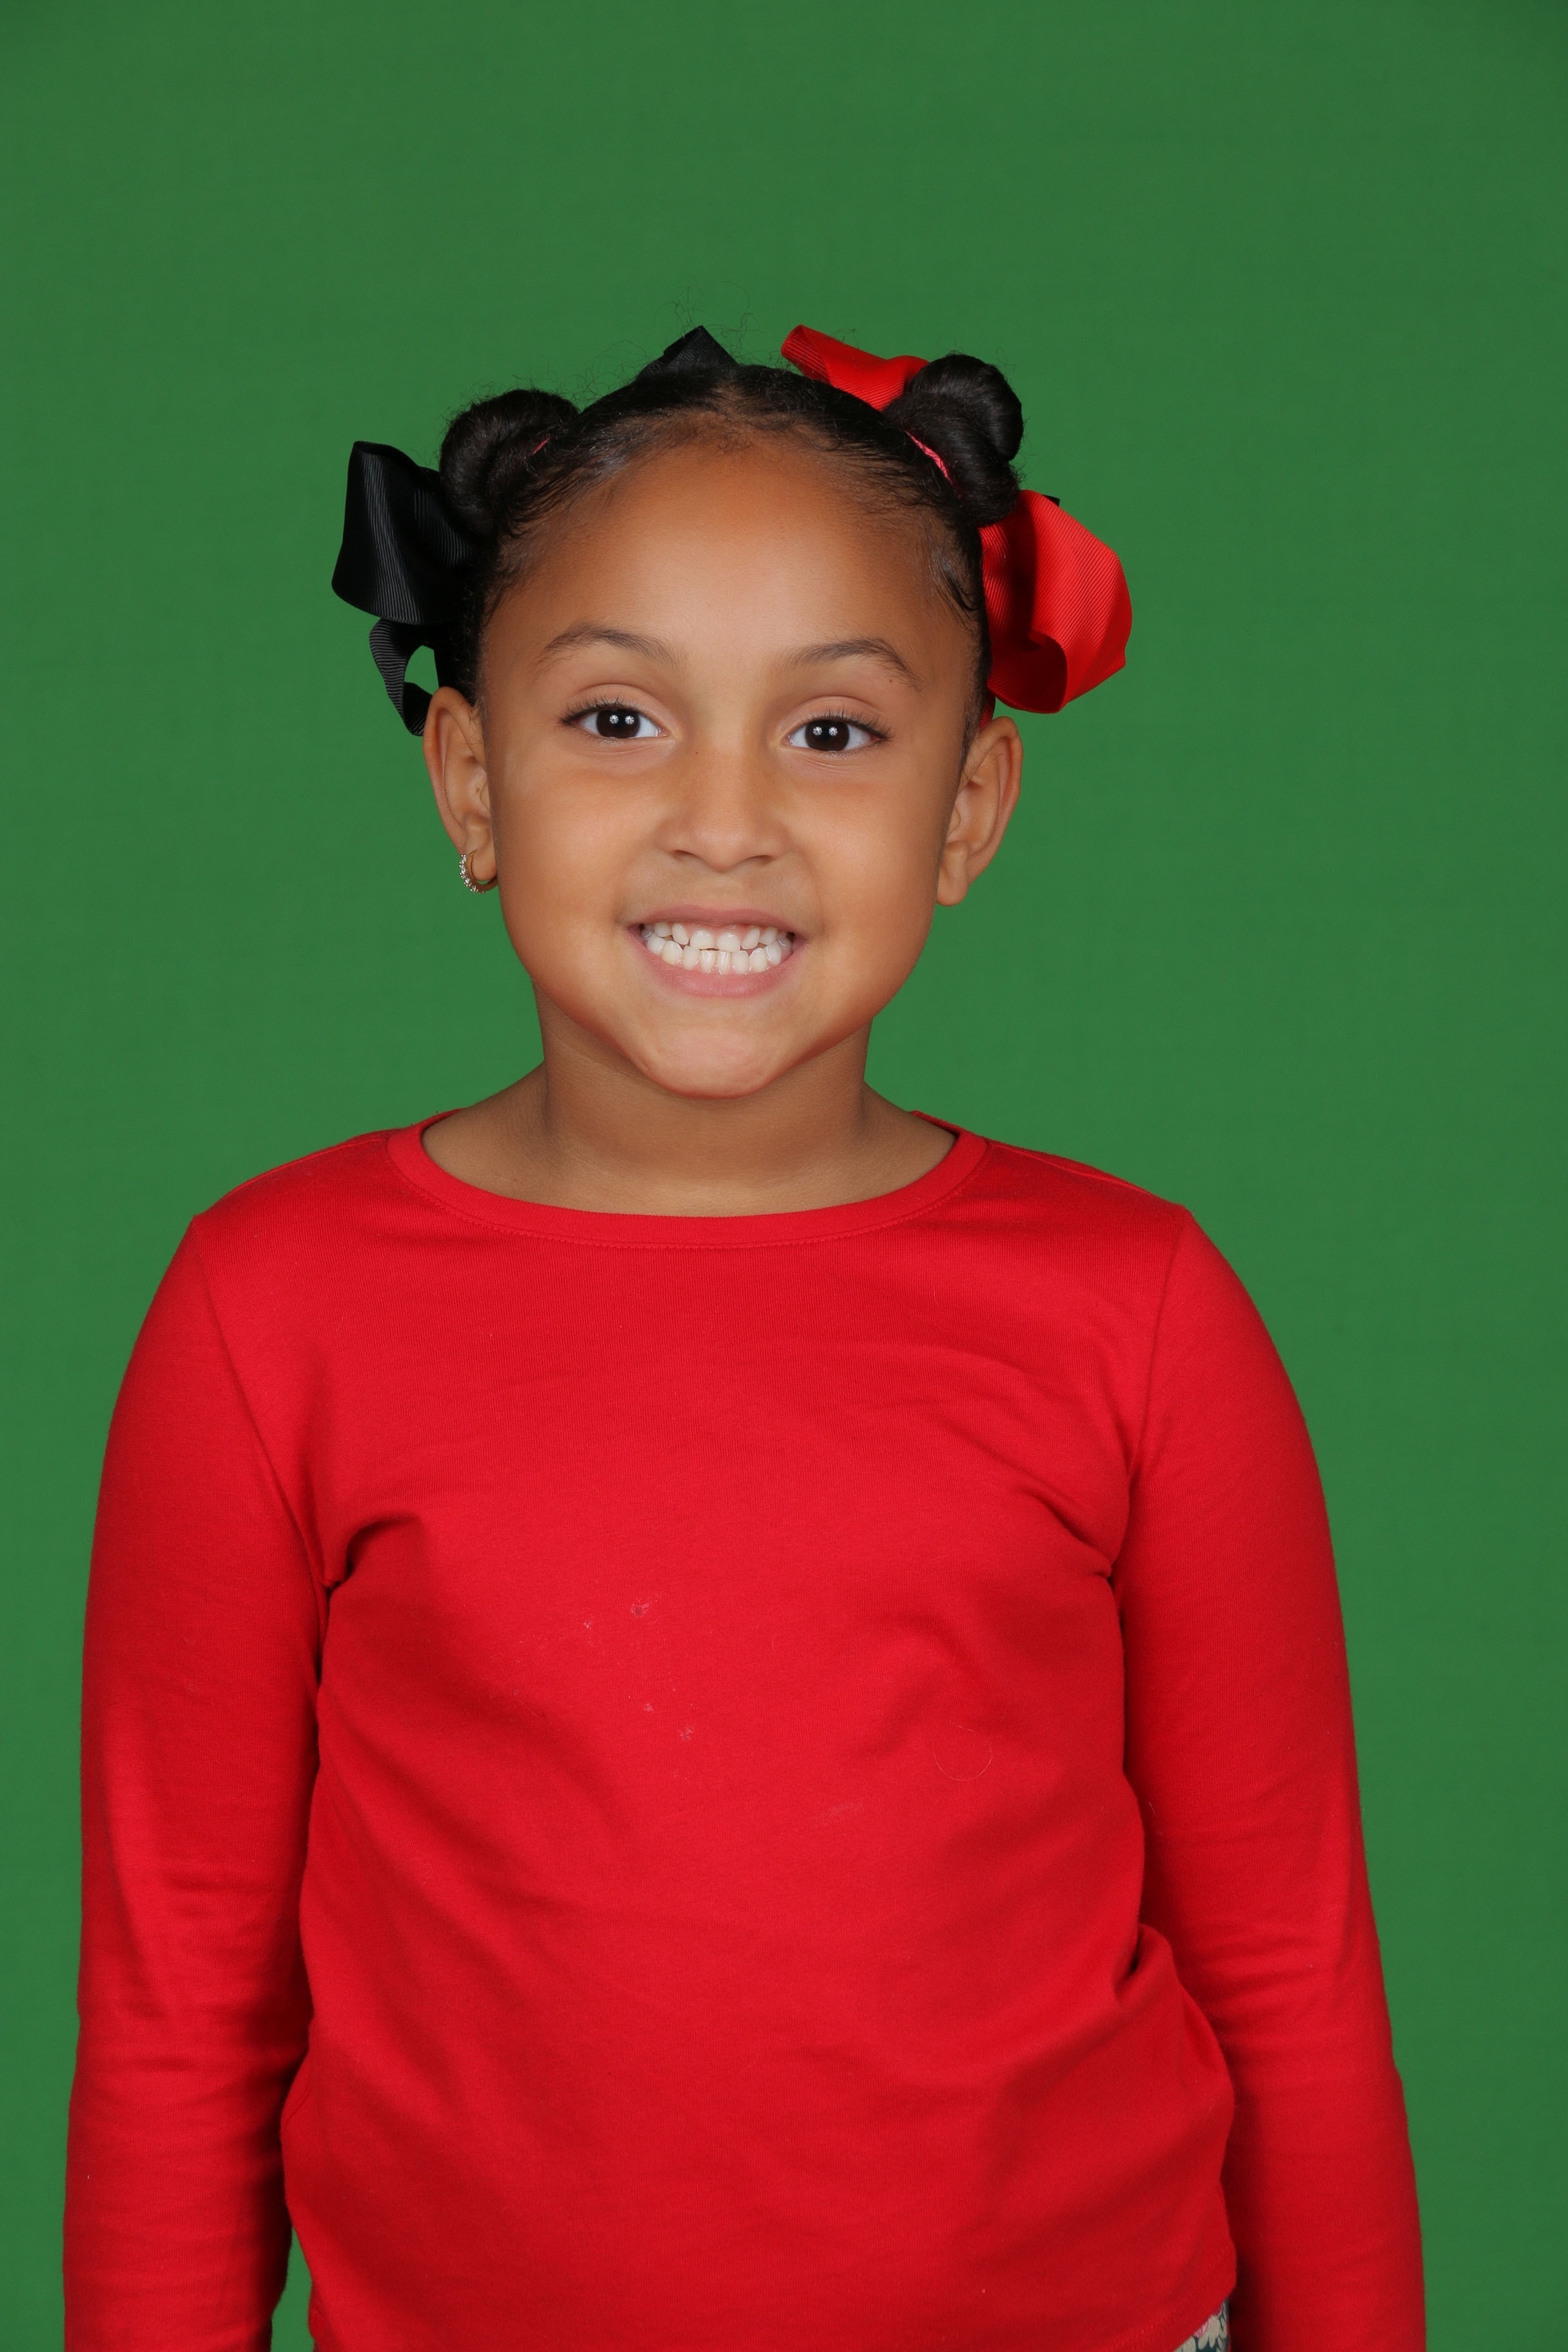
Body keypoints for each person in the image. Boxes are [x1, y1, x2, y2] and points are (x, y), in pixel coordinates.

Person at [64, 324, 1424, 2352]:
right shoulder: (269, 1312)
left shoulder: (1139, 1313)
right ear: (470, 780)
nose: (725, 819)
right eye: (618, 718)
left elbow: (1291, 1977)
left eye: (835, 732)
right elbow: (181, 2003)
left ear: (970, 807)